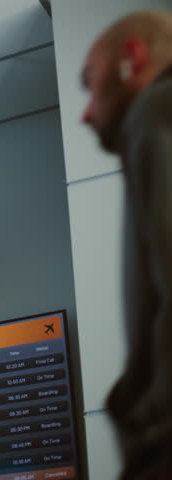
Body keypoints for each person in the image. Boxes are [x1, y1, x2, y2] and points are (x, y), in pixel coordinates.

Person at [80, 9, 172, 480]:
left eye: (90, 84)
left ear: (131, 59)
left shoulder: (156, 111)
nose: (86, 112)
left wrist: (155, 433)